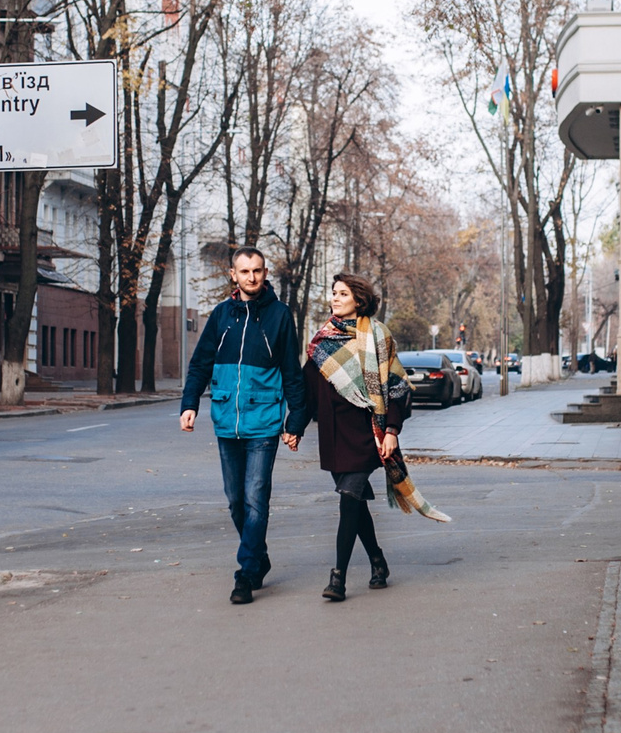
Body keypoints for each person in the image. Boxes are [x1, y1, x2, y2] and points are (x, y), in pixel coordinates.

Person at [285, 272, 452, 602]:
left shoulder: (377, 336)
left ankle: (338, 578)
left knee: (349, 499)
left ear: (358, 300)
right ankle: (377, 560)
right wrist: (295, 427)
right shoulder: (322, 340)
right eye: (333, 292)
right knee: (355, 503)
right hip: (333, 435)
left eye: (342, 293)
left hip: (367, 433)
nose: (335, 298)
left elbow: (398, 387)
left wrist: (391, 430)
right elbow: (308, 392)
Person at [180, 247, 308, 605]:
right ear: (233, 276)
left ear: (265, 274)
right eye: (244, 271)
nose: (251, 277)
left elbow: (292, 373)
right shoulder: (221, 315)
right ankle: (259, 556)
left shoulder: (280, 315)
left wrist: (294, 421)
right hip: (225, 421)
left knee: (255, 497)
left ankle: (246, 573)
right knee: (236, 500)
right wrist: (189, 404)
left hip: (264, 422)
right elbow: (200, 364)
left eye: (257, 270)